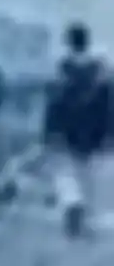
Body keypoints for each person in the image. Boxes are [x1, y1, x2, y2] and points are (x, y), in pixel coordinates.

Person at [42, 24, 112, 235]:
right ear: (87, 42)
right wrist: (110, 133)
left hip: (67, 130)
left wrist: (48, 131)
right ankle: (86, 218)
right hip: (93, 132)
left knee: (64, 172)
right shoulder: (101, 72)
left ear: (70, 43)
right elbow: (110, 106)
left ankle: (73, 202)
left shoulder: (62, 70)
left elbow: (53, 103)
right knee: (88, 175)